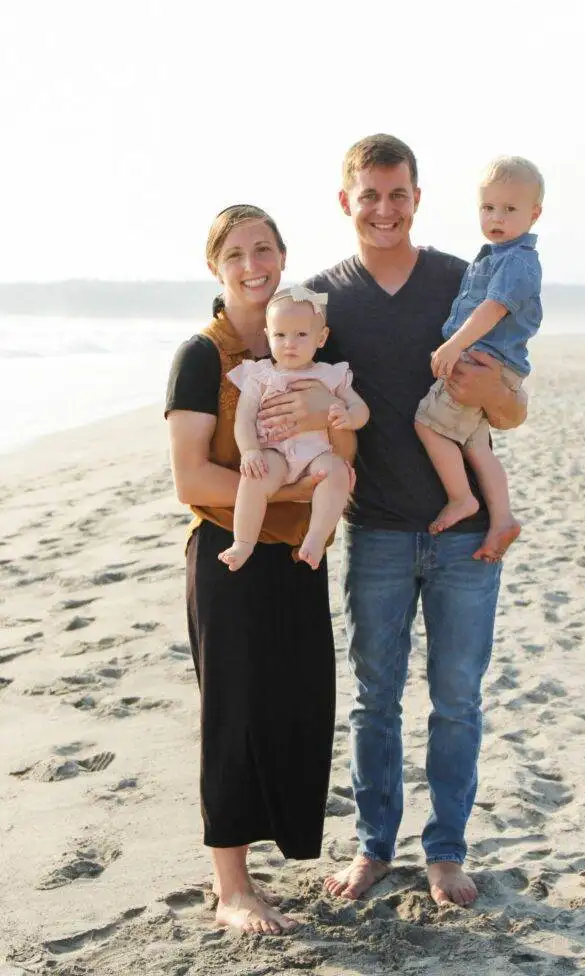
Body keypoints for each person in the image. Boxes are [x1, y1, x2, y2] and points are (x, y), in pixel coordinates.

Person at [256, 135, 527, 908]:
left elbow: (511, 409)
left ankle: (444, 852)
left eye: (397, 194)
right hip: (373, 529)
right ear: (346, 201)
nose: (383, 209)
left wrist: (496, 395)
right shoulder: (317, 302)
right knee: (376, 698)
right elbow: (292, 399)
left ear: (416, 197)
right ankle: (374, 846)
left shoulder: (458, 279)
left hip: (465, 537)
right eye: (368, 195)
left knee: (457, 699)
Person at [165, 204, 354, 935]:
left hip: (300, 552)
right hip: (228, 556)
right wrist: (292, 488)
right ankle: (231, 886)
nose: (253, 264)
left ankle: (274, 857)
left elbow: (346, 458)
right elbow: (190, 479)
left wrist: (321, 480)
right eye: (236, 253)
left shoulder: (303, 351)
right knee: (233, 715)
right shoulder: (202, 356)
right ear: (216, 268)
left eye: (265, 249)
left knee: (297, 707)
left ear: (282, 255)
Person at [415, 156, 543, 561]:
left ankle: (462, 498)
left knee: (428, 424)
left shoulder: (516, 260)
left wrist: (454, 346)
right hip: (491, 364)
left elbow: (494, 307)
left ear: (534, 214)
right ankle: (502, 517)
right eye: (488, 208)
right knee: (475, 445)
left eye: (509, 209)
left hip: (481, 362)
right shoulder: (492, 256)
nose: (496, 217)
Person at [218, 286, 369, 572]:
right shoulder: (260, 375)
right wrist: (250, 451)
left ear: (321, 337)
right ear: (268, 335)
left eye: (301, 335)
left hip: (316, 455)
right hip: (274, 452)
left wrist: (348, 417)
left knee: (337, 471)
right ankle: (243, 542)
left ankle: (315, 538)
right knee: (253, 477)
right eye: (280, 335)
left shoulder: (330, 374)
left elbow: (360, 408)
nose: (290, 343)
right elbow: (244, 419)